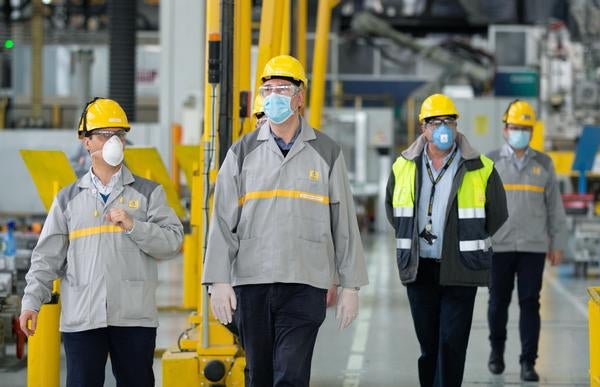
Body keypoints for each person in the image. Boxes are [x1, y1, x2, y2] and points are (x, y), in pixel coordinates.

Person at [202, 54, 368, 387]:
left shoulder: (327, 152)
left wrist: (350, 284)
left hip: (305, 282)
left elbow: (344, 223)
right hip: (252, 282)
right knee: (259, 375)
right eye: (268, 89)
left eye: (282, 88)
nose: (274, 95)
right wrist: (218, 280)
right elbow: (221, 220)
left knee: (291, 374)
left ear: (299, 96)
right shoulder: (241, 153)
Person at [19, 97, 184, 387]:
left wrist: (135, 226)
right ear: (86, 142)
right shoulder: (68, 200)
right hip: (82, 319)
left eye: (119, 134)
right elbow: (46, 258)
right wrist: (31, 301)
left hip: (134, 317)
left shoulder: (148, 194)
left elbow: (172, 242)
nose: (114, 141)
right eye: (105, 135)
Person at [385, 93, 508, 387]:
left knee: (452, 343)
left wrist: (465, 237)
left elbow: (497, 214)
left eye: (449, 121)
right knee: (429, 345)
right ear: (423, 128)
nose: (443, 128)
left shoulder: (480, 167)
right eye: (436, 122)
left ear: (457, 126)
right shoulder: (403, 165)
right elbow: (394, 210)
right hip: (420, 268)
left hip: (461, 266)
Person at [486, 100, 567, 382]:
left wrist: (557, 243)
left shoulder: (544, 163)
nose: (519, 131)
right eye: (515, 127)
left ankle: (527, 362)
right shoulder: (490, 161)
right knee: (497, 303)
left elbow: (555, 207)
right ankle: (496, 352)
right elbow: (480, 206)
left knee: (530, 303)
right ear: (505, 129)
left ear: (532, 131)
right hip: (499, 246)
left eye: (525, 128)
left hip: (533, 247)